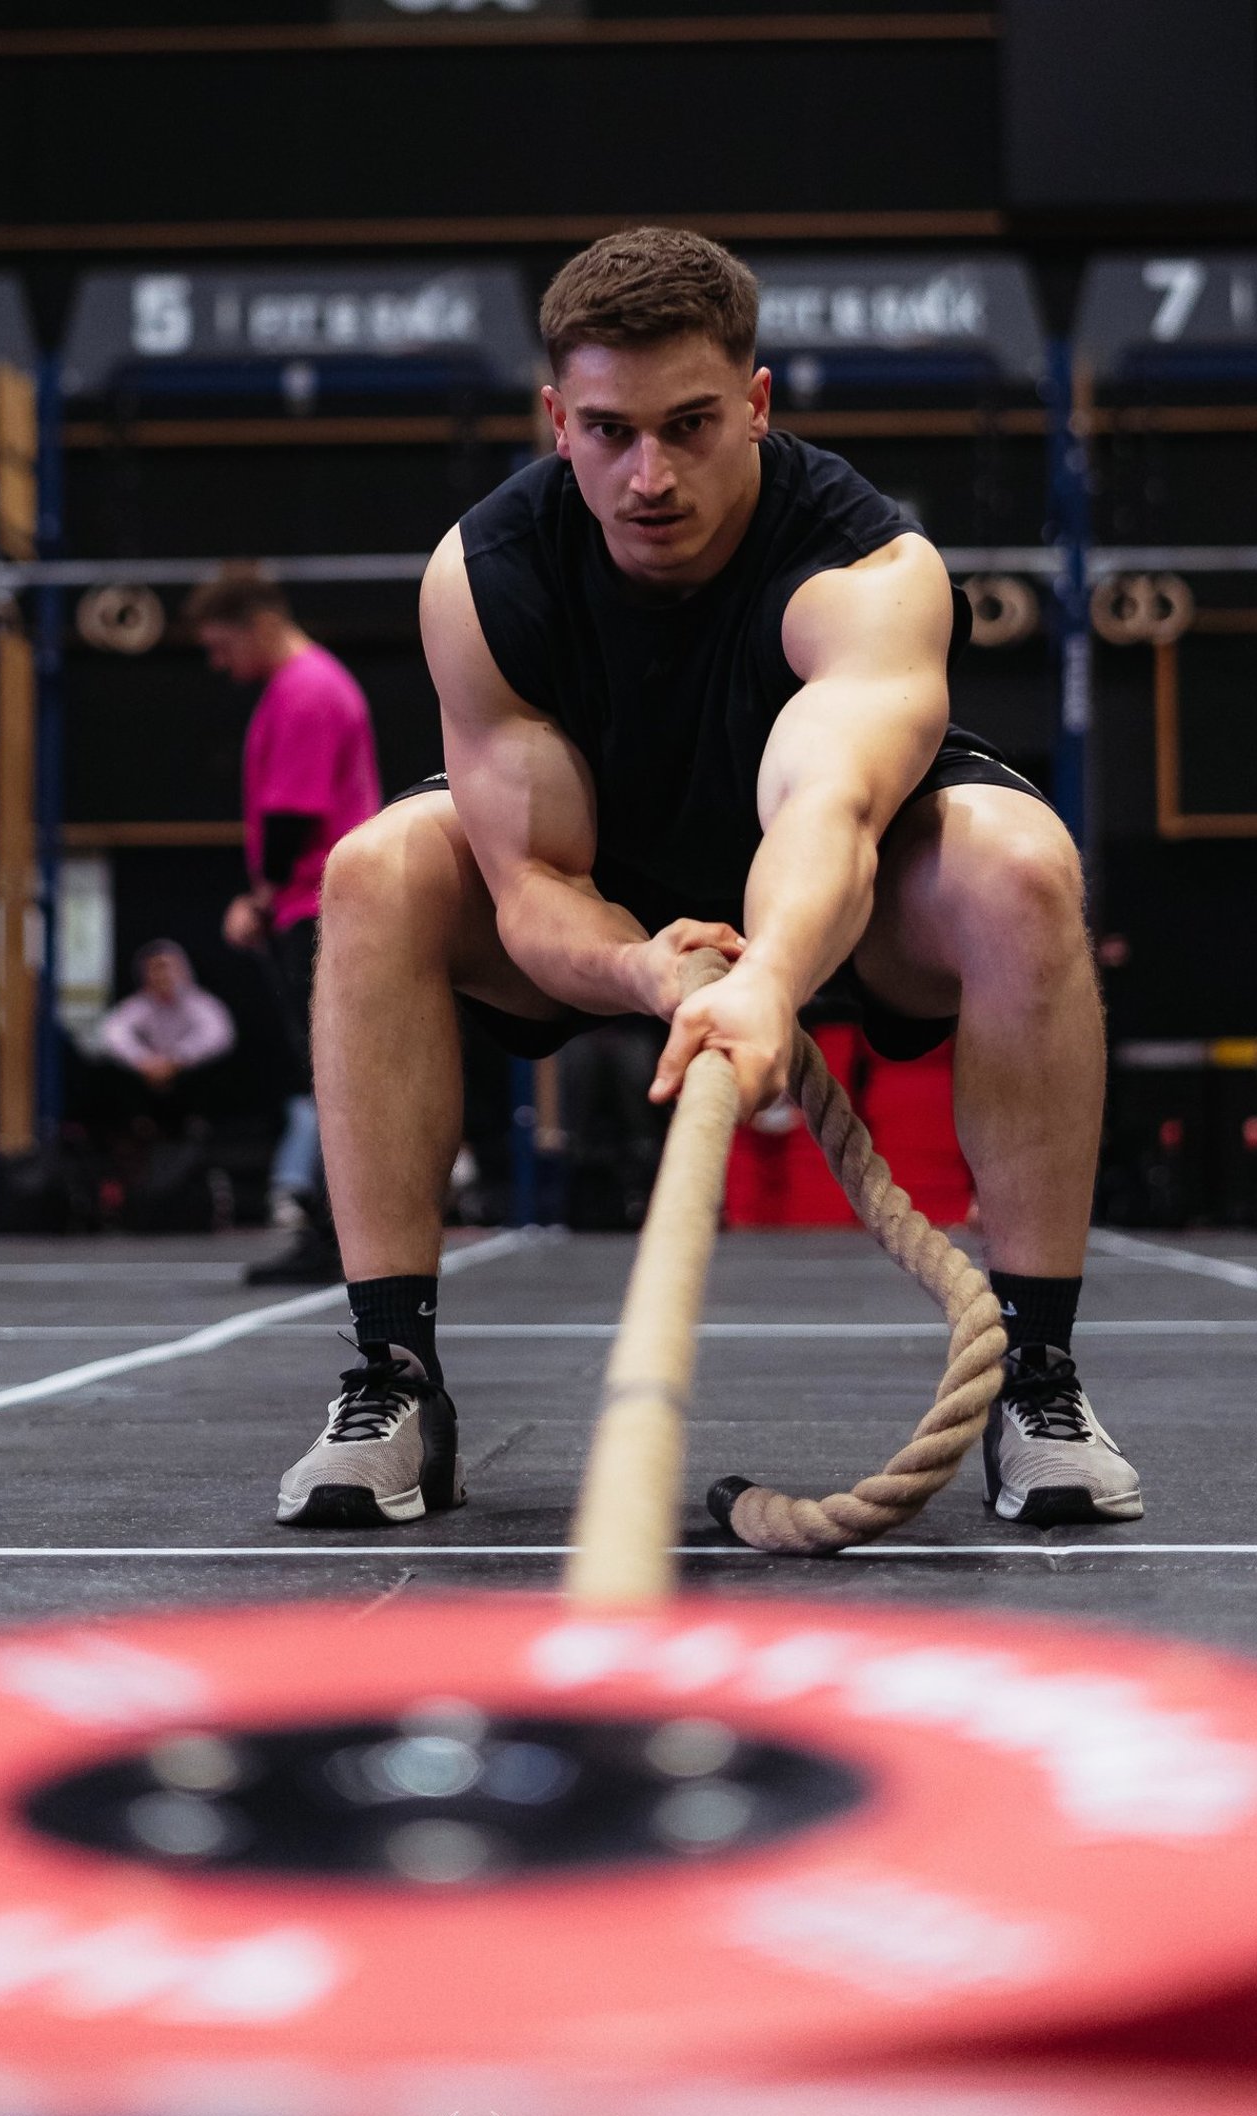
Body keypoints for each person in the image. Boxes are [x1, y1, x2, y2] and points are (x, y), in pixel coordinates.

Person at [275, 228, 1142, 1531]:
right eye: (612, 432)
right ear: (557, 418)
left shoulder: (864, 569)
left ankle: (1039, 1376)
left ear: (757, 403)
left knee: (1025, 866)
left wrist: (772, 977)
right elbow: (531, 883)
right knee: (375, 869)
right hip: (597, 902)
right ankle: (394, 1375)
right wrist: (643, 967)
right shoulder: (488, 575)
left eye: (690, 425)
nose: (651, 474)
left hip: (846, 900)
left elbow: (829, 807)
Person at [186, 569, 381, 1283]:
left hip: (316, 905)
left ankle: (342, 1241)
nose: (219, 664)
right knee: (329, 1076)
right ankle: (338, 1237)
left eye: (221, 646)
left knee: (334, 1077)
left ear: (258, 625)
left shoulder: (304, 691)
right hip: (318, 904)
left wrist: (260, 898)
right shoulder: (309, 685)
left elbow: (291, 816)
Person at [93, 938, 237, 1123]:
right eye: (155, 969)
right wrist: (142, 1060)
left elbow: (220, 1034)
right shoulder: (140, 1005)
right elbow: (111, 1032)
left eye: (168, 968)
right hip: (148, 1078)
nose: (162, 975)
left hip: (188, 1079)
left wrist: (177, 1059)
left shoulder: (199, 1003)